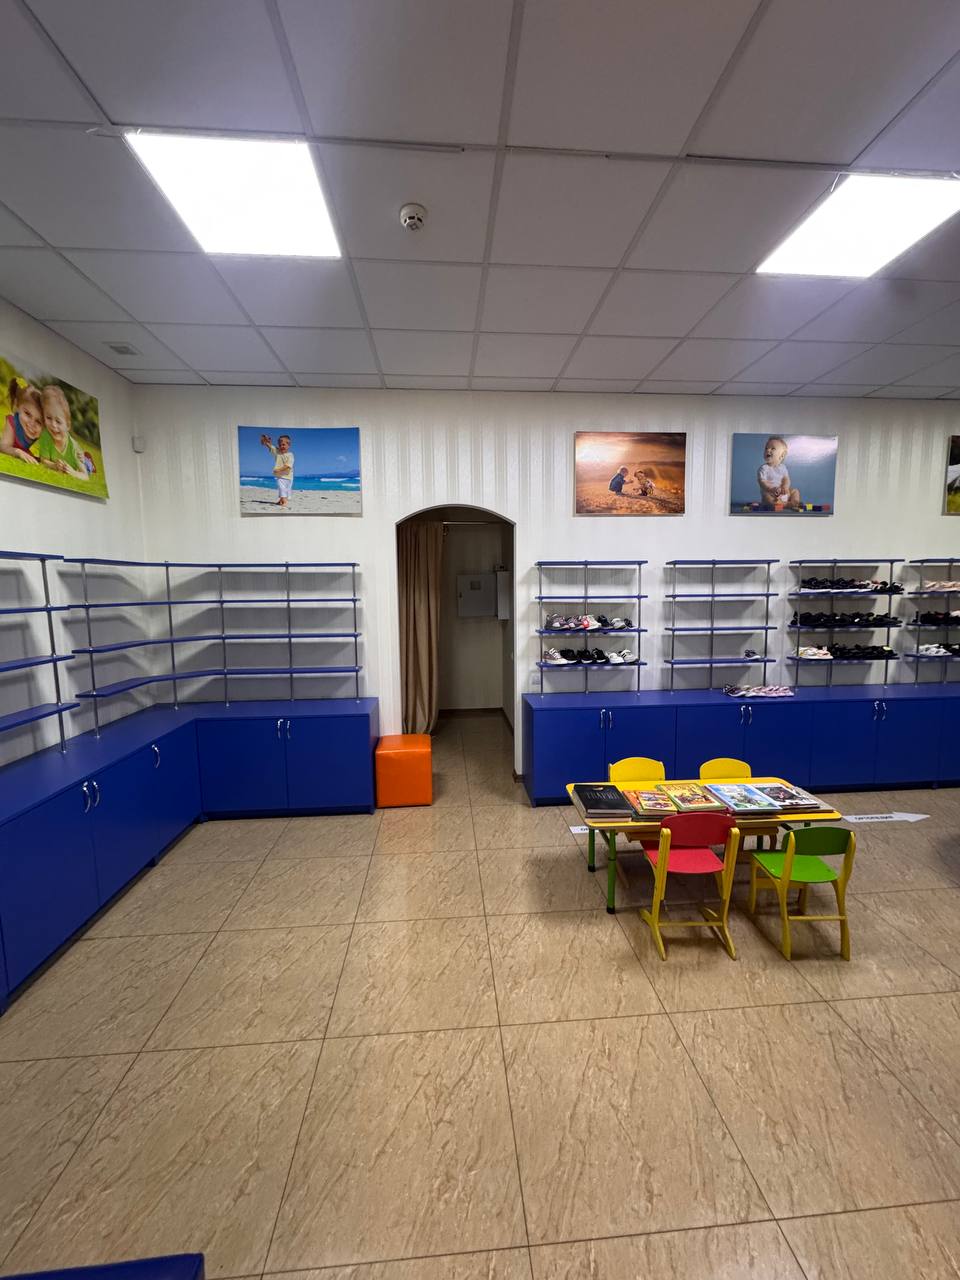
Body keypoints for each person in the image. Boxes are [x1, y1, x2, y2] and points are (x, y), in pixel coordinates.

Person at [34, 385, 89, 480]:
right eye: (48, 418)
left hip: (82, 463)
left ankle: (88, 460)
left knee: (88, 465)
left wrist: (72, 472)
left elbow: (85, 476)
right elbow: (44, 460)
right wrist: (54, 465)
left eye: (58, 421)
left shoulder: (73, 447)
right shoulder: (45, 435)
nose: (53, 425)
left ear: (67, 426)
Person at [1, 379, 43, 464]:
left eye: (38, 421)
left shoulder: (41, 431)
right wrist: (19, 452)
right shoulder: (13, 421)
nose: (32, 424)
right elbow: (3, 446)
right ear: (17, 405)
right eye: (27, 414)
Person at [758, 435, 801, 510]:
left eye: (773, 448)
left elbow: (786, 479)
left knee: (795, 491)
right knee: (766, 496)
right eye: (766, 448)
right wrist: (771, 489)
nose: (768, 450)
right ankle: (786, 505)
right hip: (771, 493)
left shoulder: (783, 467)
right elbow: (762, 482)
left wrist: (785, 487)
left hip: (783, 493)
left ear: (782, 455)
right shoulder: (763, 468)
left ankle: (793, 502)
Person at [260, 432, 294, 507]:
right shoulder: (277, 452)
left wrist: (278, 470)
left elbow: (288, 466)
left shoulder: (290, 455)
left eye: (283, 445)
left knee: (286, 489)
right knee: (281, 488)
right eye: (280, 445)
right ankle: (283, 500)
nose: (281, 446)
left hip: (288, 476)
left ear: (288, 445)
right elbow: (271, 447)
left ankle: (283, 500)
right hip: (280, 476)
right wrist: (265, 441)